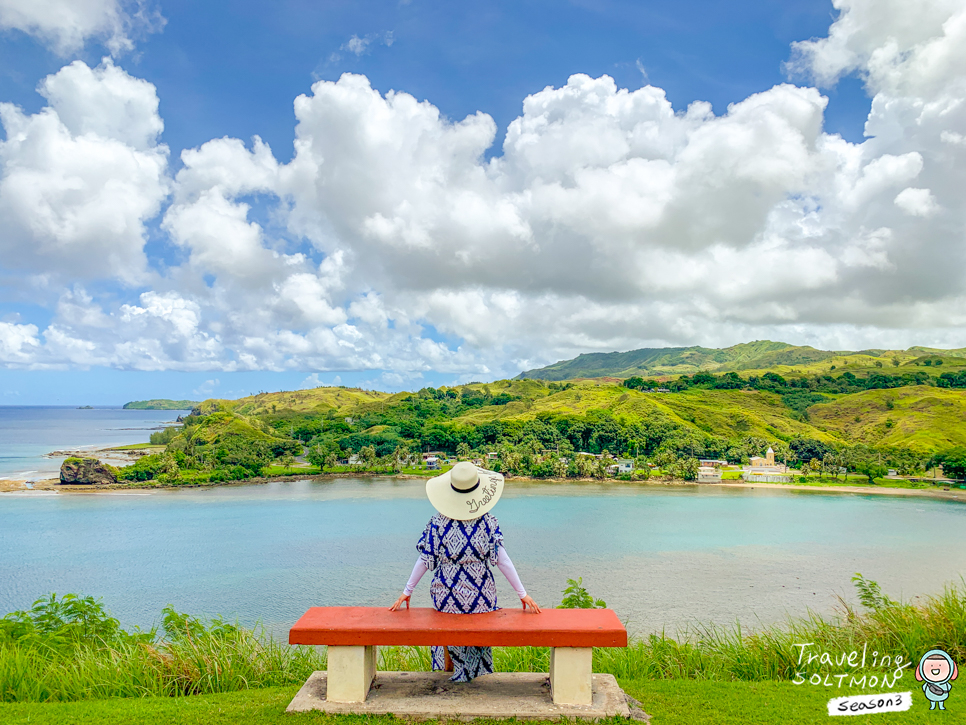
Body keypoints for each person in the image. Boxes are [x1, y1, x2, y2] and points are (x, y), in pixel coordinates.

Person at [390, 461, 541, 682]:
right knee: (477, 622)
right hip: (481, 597)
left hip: (446, 597)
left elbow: (424, 559)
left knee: (450, 623)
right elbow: (502, 560)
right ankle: (471, 672)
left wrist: (407, 591)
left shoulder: (437, 523)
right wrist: (522, 594)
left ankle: (455, 671)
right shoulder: (488, 522)